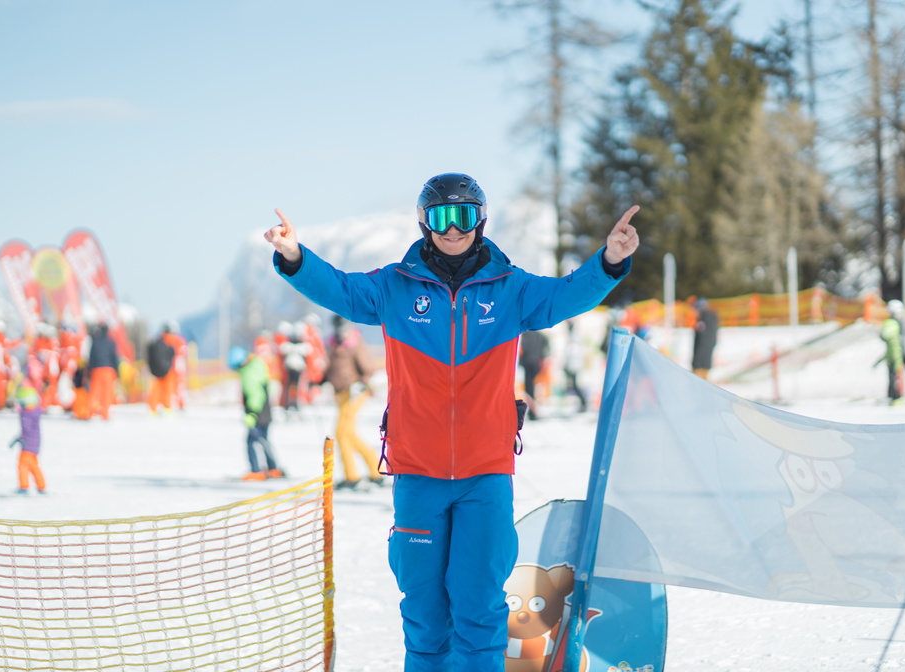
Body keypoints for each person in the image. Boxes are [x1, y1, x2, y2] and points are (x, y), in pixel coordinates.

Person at [263, 172, 639, 671]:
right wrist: (295, 258)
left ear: (480, 220)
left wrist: (610, 260)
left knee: (479, 608)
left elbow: (567, 295)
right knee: (424, 613)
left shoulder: (511, 288)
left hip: (485, 474)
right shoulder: (395, 286)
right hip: (418, 473)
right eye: (442, 216)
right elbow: (343, 292)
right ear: (425, 222)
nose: (453, 229)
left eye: (464, 215)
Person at [324, 315, 383, 489]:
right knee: (347, 434)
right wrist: (320, 379)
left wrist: (362, 383)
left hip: (356, 392)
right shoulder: (333, 343)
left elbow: (367, 367)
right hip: (342, 392)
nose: (340, 332)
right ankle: (374, 470)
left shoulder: (355, 341)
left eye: (342, 329)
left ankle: (353, 476)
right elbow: (332, 368)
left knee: (342, 432)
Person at [227, 345, 285, 481]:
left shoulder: (249, 373)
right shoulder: (257, 367)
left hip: (257, 413)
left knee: (252, 441)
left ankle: (256, 470)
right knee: (263, 440)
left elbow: (255, 395)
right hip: (265, 412)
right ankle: (273, 468)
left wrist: (252, 413)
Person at [9, 380, 47, 494]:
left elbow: (26, 430)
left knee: (22, 465)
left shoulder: (26, 414)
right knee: (34, 466)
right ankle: (41, 486)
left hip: (28, 445)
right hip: (35, 444)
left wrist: (19, 439)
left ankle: (24, 486)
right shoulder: (35, 412)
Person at [86, 321, 120, 420]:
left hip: (97, 369)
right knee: (107, 392)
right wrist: (117, 371)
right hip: (109, 370)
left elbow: (91, 356)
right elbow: (114, 357)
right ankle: (105, 414)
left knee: (95, 392)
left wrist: (89, 369)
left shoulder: (95, 341)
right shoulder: (111, 342)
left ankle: (91, 412)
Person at [518, 329, 550, 420]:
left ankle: (532, 412)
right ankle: (533, 411)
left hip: (527, 364)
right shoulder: (540, 335)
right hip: (536, 363)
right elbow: (544, 349)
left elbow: (522, 349)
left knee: (529, 388)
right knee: (533, 387)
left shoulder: (525, 335)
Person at [146, 325, 178, 415]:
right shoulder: (172, 340)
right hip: (168, 370)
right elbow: (174, 353)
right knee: (167, 390)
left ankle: (152, 409)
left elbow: (150, 356)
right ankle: (167, 408)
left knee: (155, 390)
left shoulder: (154, 342)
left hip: (156, 370)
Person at [880, 300, 905, 405]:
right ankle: (893, 397)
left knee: (894, 377)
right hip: (893, 356)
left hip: (894, 356)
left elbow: (892, 344)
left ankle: (896, 397)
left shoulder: (893, 324)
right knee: (893, 377)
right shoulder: (893, 324)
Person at [562, 320, 588, 413]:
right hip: (573, 364)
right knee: (573, 385)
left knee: (575, 385)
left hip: (574, 364)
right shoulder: (573, 336)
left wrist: (568, 364)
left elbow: (572, 352)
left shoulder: (574, 337)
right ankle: (583, 403)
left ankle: (584, 403)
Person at [691, 297, 719, 379]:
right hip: (705, 361)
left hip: (700, 363)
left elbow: (701, 343)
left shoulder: (705, 319)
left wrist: (696, 363)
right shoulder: (712, 319)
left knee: (700, 381)